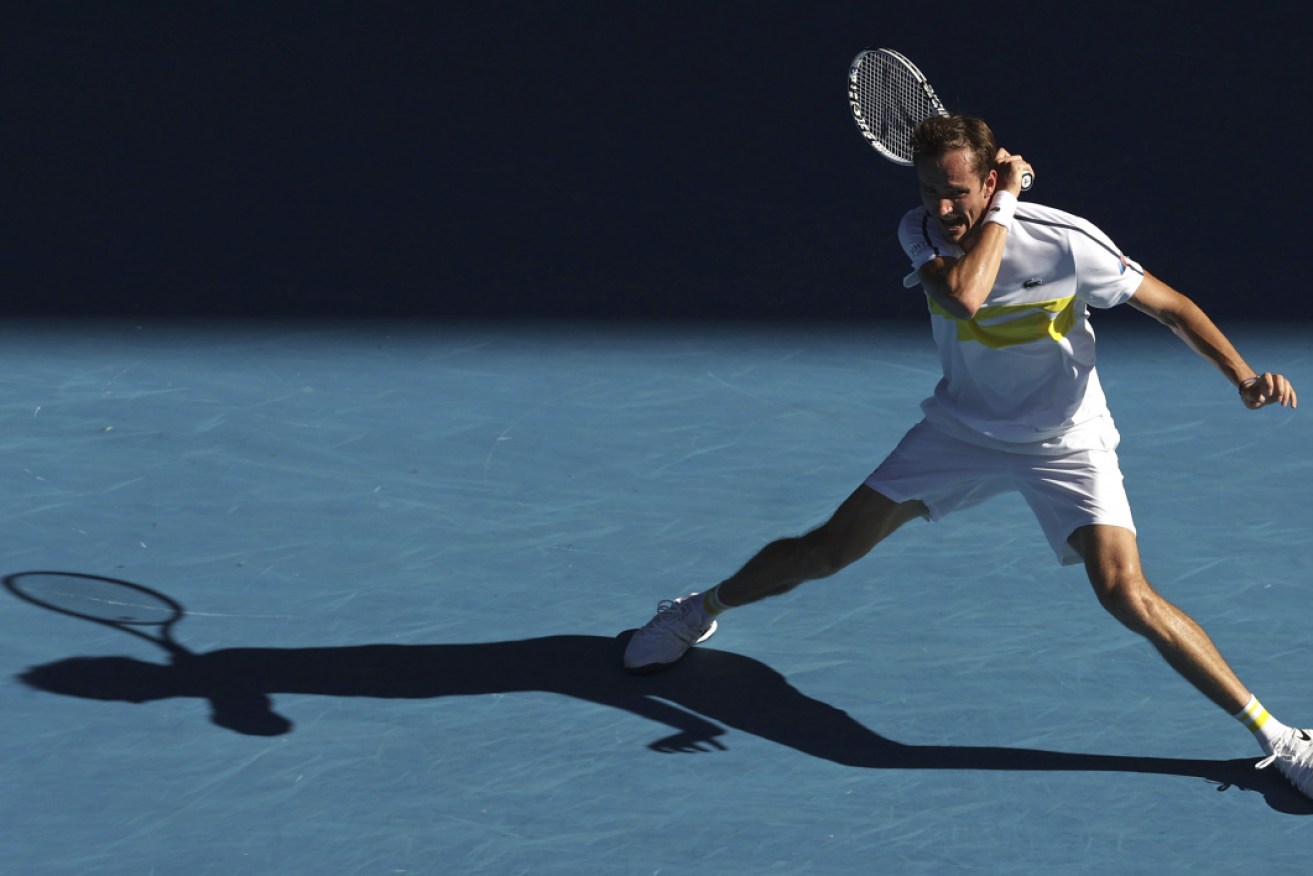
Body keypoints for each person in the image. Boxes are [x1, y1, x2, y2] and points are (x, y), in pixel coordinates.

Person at [622, 114, 1312, 798]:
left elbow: (1172, 307)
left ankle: (1280, 741)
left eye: (958, 192)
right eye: (930, 191)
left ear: (988, 178)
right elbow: (966, 294)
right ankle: (694, 609)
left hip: (1065, 440)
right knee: (825, 550)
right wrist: (1002, 201)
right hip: (960, 433)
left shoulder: (1066, 243)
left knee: (1124, 591)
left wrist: (1242, 377)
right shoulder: (917, 229)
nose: (943, 208)